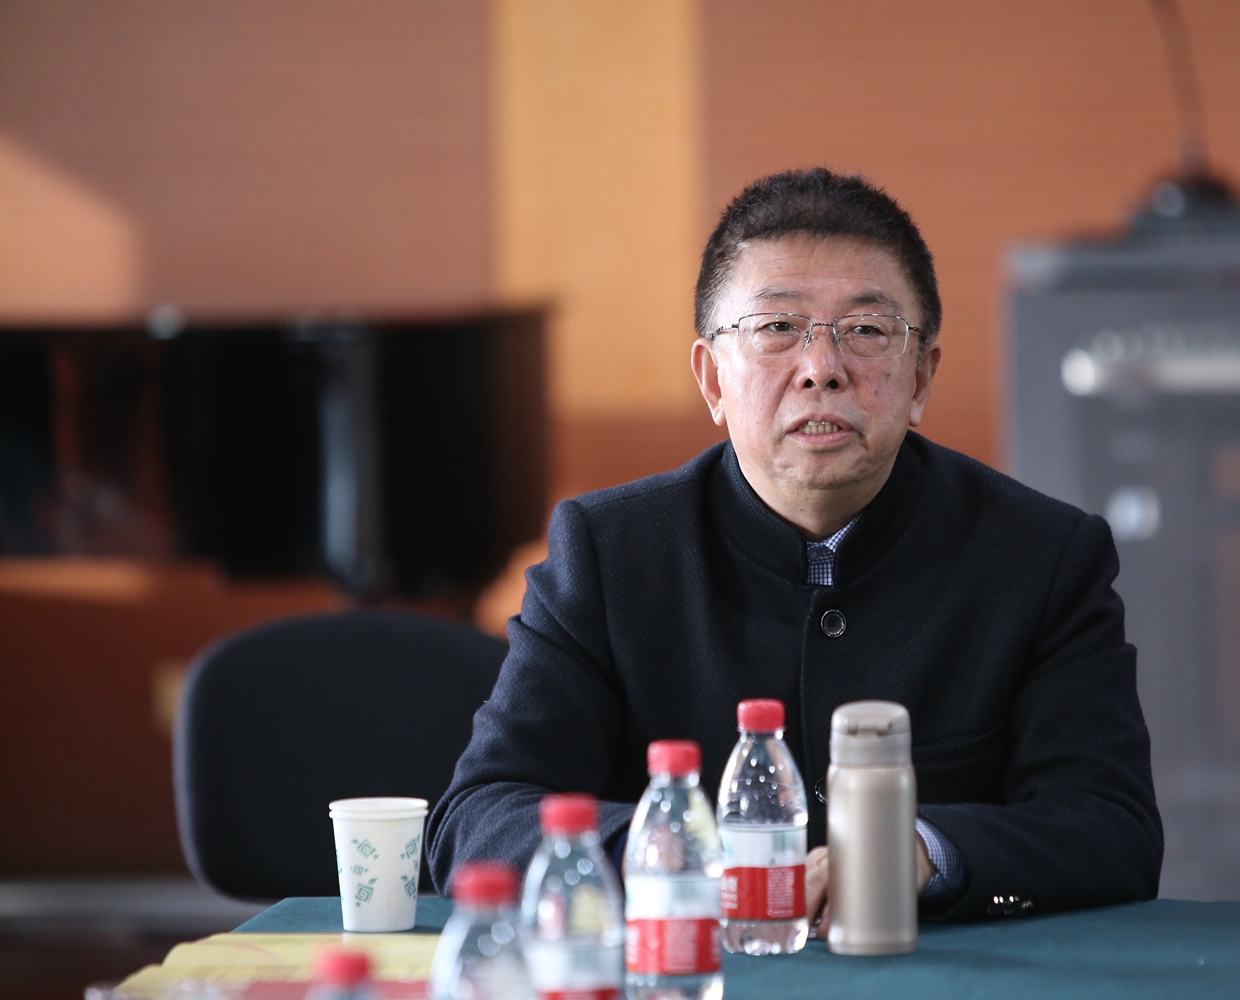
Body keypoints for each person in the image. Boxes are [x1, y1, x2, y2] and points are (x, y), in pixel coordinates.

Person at [427, 168, 1162, 923]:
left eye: (867, 331)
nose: (822, 370)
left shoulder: (1042, 557)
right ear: (713, 379)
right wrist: (677, 859)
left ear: (921, 378)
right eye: (777, 328)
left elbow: (1114, 833)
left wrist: (922, 852)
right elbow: (477, 822)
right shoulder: (608, 555)